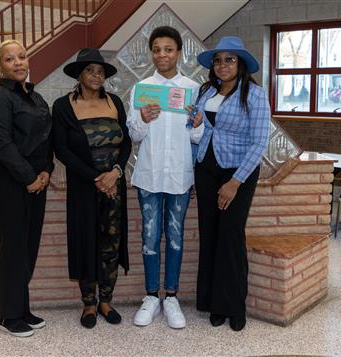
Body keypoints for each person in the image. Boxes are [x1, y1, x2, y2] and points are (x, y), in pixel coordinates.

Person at [127, 26, 204, 329]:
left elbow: (196, 136)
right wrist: (143, 120)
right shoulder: (141, 88)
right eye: (157, 49)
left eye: (168, 49)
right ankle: (151, 296)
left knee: (174, 238)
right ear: (152, 53)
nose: (162, 55)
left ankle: (171, 296)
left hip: (180, 179)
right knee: (149, 237)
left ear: (178, 52)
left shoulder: (192, 89)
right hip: (148, 176)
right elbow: (133, 134)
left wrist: (197, 124)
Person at [193, 36, 270, 331]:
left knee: (231, 236)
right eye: (218, 59)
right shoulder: (207, 90)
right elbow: (199, 126)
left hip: (238, 172)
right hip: (206, 168)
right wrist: (195, 121)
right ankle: (214, 304)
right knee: (210, 234)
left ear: (241, 64)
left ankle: (234, 306)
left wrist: (235, 182)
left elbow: (258, 142)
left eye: (230, 59)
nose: (223, 64)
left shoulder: (255, 94)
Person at [52, 48, 131, 329]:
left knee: (111, 243)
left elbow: (127, 142)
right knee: (86, 242)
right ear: (79, 75)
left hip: (115, 187)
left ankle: (106, 301)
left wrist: (116, 173)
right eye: (90, 71)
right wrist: (97, 179)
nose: (96, 76)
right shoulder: (63, 106)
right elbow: (61, 149)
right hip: (84, 189)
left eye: (100, 71)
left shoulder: (115, 102)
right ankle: (88, 303)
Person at [0, 39, 53, 337]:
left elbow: (47, 137)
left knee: (27, 247)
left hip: (37, 181)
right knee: (12, 249)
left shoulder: (33, 97)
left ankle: (22, 308)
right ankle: (9, 316)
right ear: (0, 65)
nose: (18, 63)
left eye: (22, 57)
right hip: (9, 182)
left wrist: (46, 170)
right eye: (10, 59)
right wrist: (29, 177)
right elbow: (2, 144)